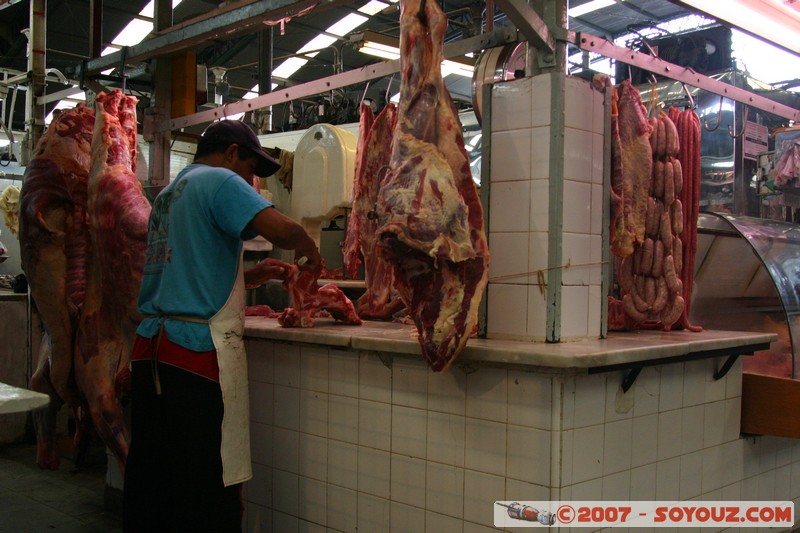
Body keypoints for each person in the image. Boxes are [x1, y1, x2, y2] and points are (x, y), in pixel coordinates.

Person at [123, 119, 321, 533]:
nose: (251, 181)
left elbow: (183, 273)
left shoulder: (168, 194)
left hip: (150, 351)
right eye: (251, 169)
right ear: (231, 153)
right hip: (194, 357)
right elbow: (283, 229)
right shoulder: (220, 180)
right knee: (207, 482)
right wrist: (309, 250)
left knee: (154, 478)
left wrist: (251, 276)